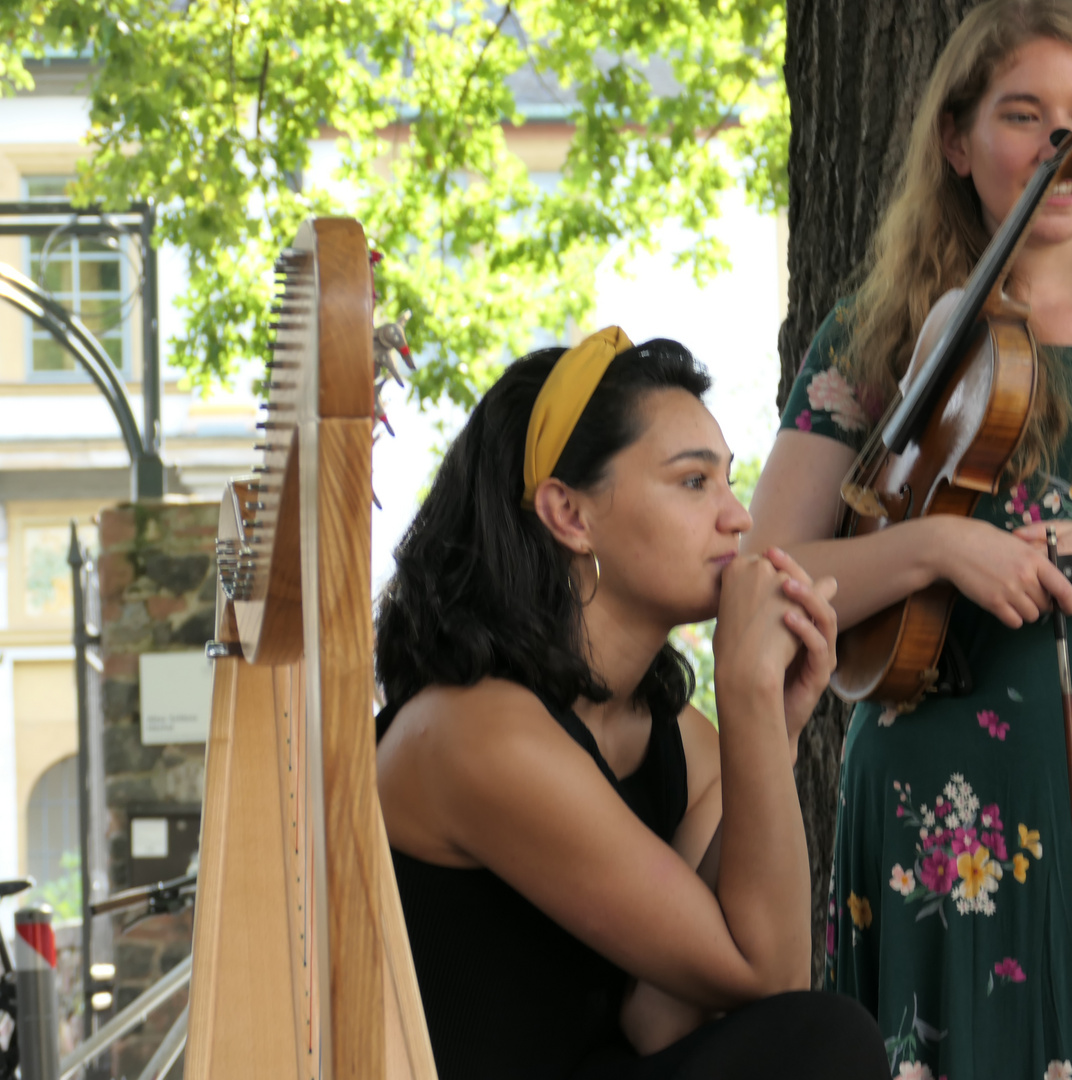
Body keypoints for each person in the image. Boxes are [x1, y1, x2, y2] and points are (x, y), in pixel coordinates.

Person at [745, 2, 1072, 1077]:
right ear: (956, 140)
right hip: (946, 810)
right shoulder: (876, 335)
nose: (1061, 148)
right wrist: (941, 550)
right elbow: (769, 582)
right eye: (1022, 115)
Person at [373, 329, 890, 1080]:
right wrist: (747, 696)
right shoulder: (473, 731)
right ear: (570, 516)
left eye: (726, 481)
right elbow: (772, 977)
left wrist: (771, 723)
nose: (738, 518)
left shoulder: (685, 741)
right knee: (826, 1041)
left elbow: (661, 1018)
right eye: (693, 482)